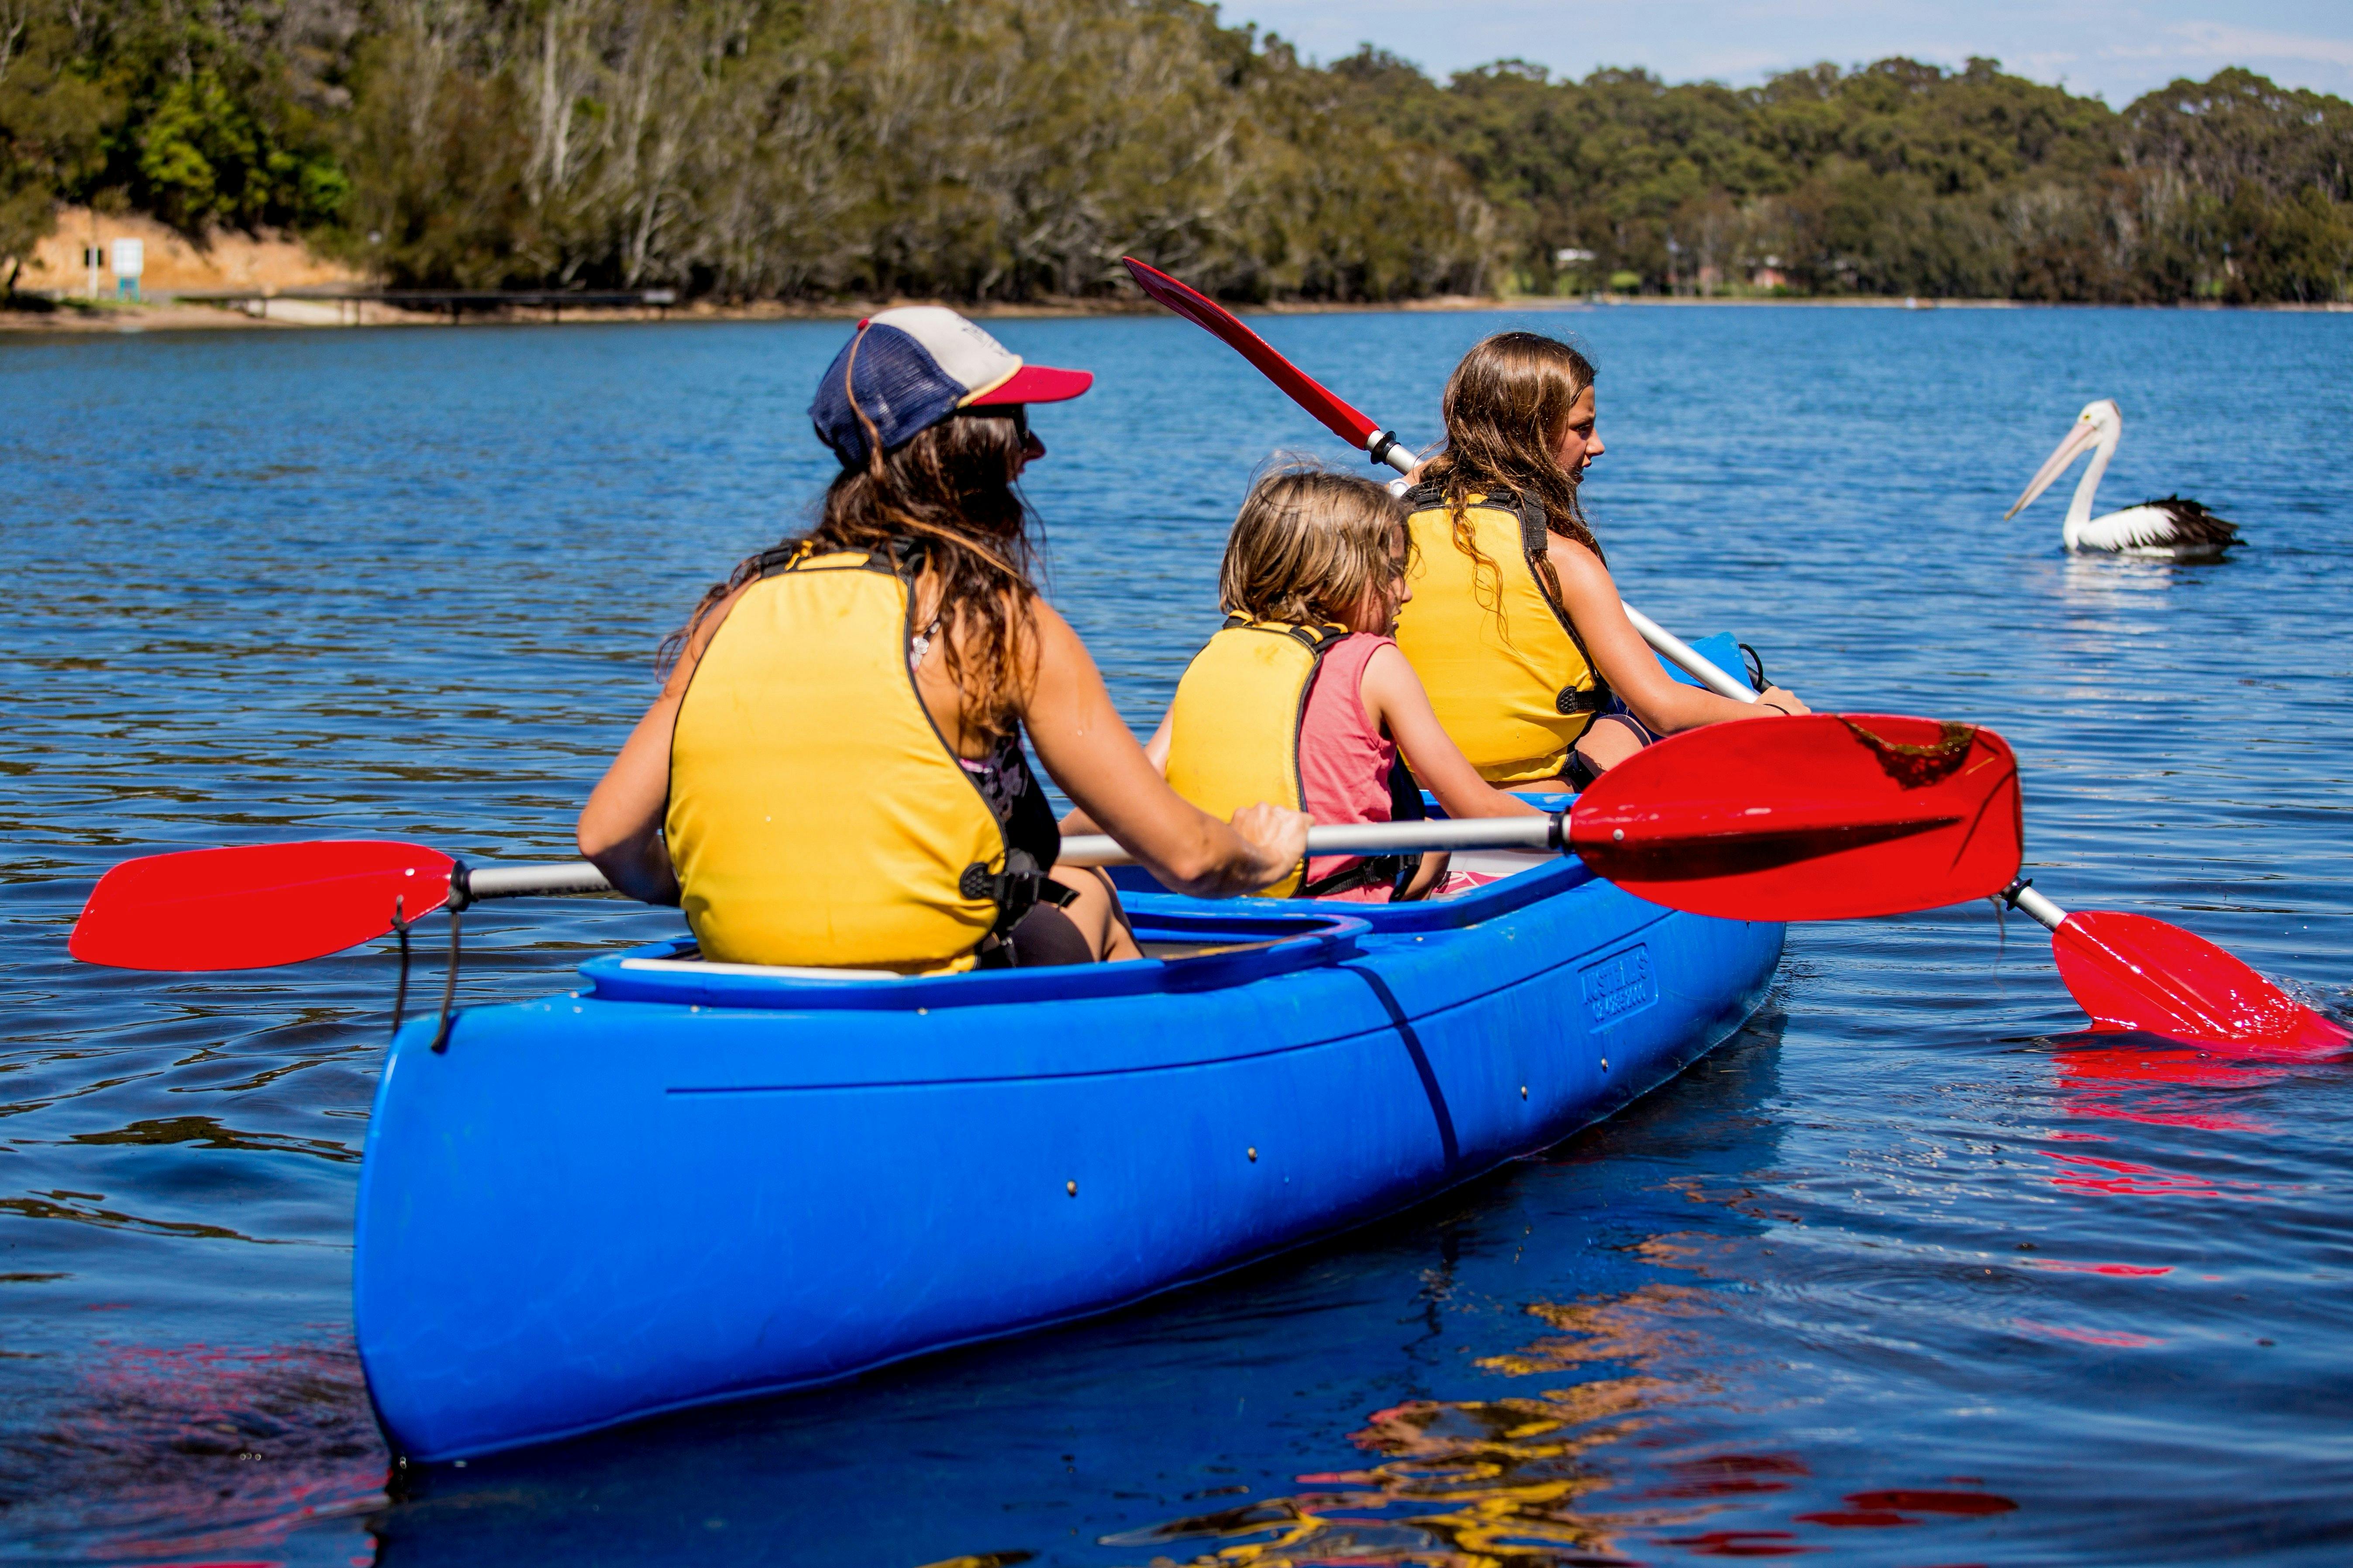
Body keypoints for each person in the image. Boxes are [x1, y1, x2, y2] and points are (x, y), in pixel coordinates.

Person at [577, 307, 1308, 972]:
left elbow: (608, 840)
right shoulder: (1000, 624)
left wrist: (719, 891)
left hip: (752, 984)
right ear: (975, 449)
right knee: (1086, 893)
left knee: (1068, 887)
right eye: (1018, 427)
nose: (1037, 449)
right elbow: (1187, 858)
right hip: (929, 998)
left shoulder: (735, 608)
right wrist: (1258, 851)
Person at [1394, 331, 1809, 791]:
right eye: (1582, 428)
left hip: (1413, 800)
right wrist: (1766, 715)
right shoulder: (1562, 559)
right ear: (1531, 433)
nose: (1597, 446)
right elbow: (1663, 709)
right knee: (1630, 719)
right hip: (1534, 809)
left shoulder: (1379, 536)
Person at [1120, 466, 1542, 903]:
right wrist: (1573, 839)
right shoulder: (1377, 665)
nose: (1406, 593)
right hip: (1331, 911)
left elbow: (1132, 795)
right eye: (1392, 572)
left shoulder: (1217, 655)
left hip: (1221, 897)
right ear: (1332, 577)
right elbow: (1479, 810)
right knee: (1434, 842)